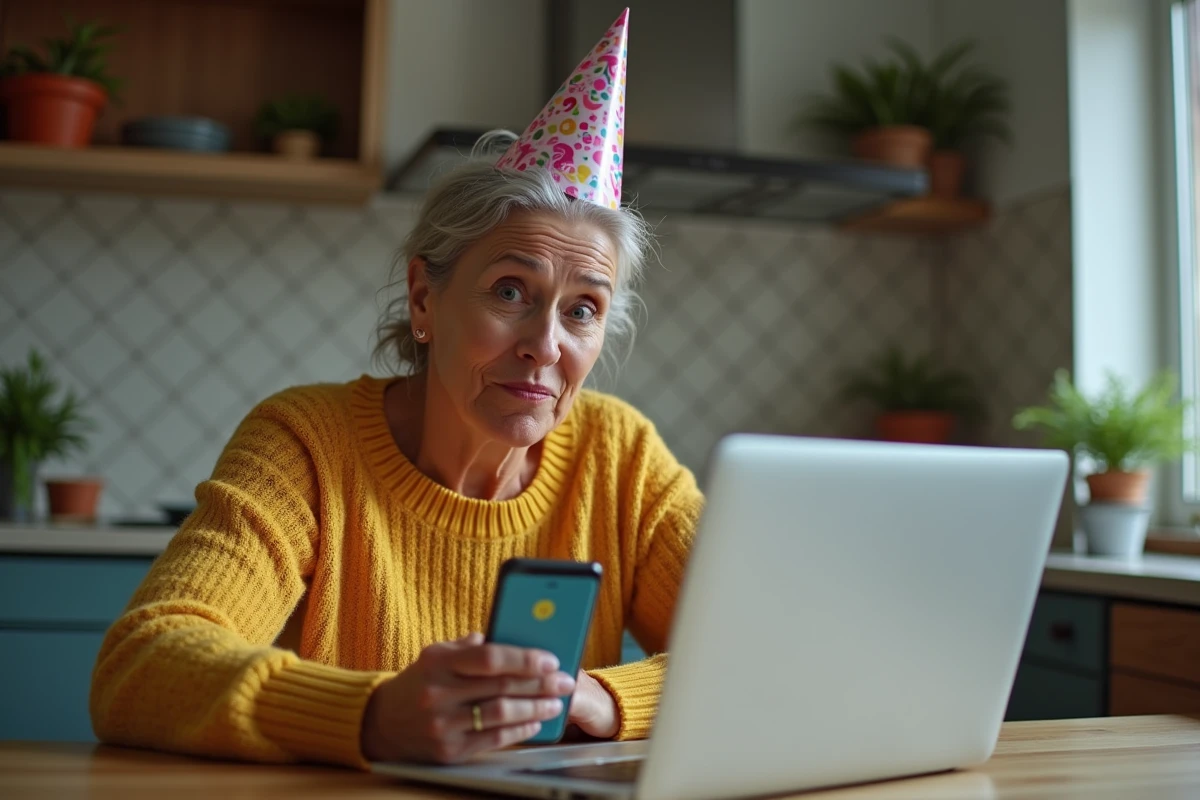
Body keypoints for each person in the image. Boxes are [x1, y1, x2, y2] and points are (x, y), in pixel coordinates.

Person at [90, 8, 703, 770]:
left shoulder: (624, 457)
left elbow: (769, 649)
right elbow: (141, 666)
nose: (545, 346)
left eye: (583, 309)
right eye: (510, 291)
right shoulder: (306, 444)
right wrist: (372, 716)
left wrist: (602, 701)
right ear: (423, 300)